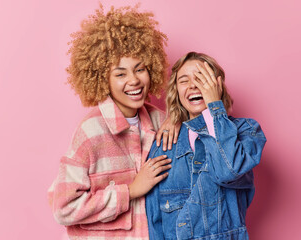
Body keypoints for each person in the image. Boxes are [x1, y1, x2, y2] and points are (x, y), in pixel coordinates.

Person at [48, 5, 173, 239]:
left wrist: (177, 120)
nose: (134, 80)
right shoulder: (90, 131)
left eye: (140, 69)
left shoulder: (161, 121)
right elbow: (63, 208)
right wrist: (131, 191)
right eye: (120, 74)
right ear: (102, 78)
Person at [146, 52, 267, 239]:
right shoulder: (165, 145)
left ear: (217, 85)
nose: (193, 85)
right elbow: (155, 220)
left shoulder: (247, 132)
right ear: (176, 91)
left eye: (202, 78)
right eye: (184, 80)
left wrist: (214, 108)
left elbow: (228, 170)